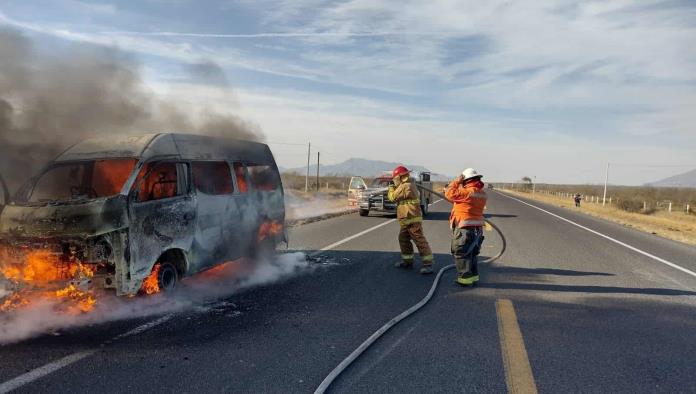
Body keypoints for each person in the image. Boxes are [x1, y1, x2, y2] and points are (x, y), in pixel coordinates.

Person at [387, 166, 435, 274]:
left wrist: (390, 188)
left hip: (412, 219)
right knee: (403, 239)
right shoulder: (407, 184)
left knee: (419, 240)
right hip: (406, 219)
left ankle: (428, 264)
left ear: (400, 177)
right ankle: (407, 261)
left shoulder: (406, 186)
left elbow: (393, 197)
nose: (394, 181)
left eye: (395, 179)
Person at [445, 168, 488, 286]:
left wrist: (457, 181)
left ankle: (464, 280)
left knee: (461, 252)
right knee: (472, 253)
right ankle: (473, 277)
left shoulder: (466, 193)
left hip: (464, 229)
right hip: (477, 229)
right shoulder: (482, 193)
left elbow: (448, 193)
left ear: (466, 180)